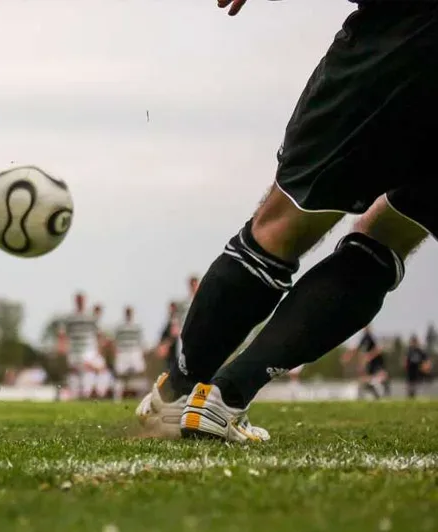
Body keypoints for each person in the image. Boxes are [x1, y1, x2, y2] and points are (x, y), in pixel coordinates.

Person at [139, 0, 437, 442]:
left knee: (280, 226)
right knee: (390, 236)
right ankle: (224, 397)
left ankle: (179, 394)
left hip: (402, 34)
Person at [58, 292, 105, 399]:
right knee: (78, 372)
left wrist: (99, 348)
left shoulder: (90, 317)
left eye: (81, 299)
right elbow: (62, 334)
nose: (80, 302)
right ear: (75, 301)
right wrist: (61, 346)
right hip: (75, 350)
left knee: (99, 368)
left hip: (89, 350)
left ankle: (93, 392)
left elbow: (99, 333)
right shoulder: (70, 318)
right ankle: (80, 393)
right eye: (78, 299)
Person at [342, 325, 389, 400]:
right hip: (370, 364)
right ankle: (375, 396)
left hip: (377, 362)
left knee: (382, 377)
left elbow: (379, 348)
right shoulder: (364, 338)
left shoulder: (373, 337)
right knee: (365, 379)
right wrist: (348, 355)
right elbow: (357, 349)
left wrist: (369, 356)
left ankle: (385, 396)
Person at [113, 306, 146, 400]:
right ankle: (117, 397)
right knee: (120, 375)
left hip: (135, 351)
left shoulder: (137, 326)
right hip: (123, 352)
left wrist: (141, 352)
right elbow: (116, 341)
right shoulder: (120, 327)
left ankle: (141, 397)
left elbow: (141, 341)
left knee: (139, 374)